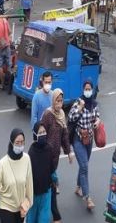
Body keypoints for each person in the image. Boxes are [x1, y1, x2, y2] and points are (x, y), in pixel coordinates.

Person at [41, 89, 73, 223]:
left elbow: (65, 136)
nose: (59, 104)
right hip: (45, 157)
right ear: (53, 100)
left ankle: (50, 213)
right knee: (50, 184)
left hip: (55, 158)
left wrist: (69, 151)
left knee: (49, 184)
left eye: (61, 101)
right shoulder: (48, 114)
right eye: (57, 101)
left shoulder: (61, 115)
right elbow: (41, 133)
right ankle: (55, 215)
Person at [68, 80, 100, 210]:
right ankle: (87, 197)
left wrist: (98, 120)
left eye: (89, 89)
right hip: (78, 139)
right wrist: (80, 108)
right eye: (85, 89)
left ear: (92, 90)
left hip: (89, 140)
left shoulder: (94, 104)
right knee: (85, 166)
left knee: (83, 165)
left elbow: (97, 116)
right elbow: (71, 117)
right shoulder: (78, 102)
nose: (87, 91)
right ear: (83, 90)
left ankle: (78, 187)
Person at [25, 122, 55, 223]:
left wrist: (55, 179)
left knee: (44, 219)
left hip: (46, 191)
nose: (42, 134)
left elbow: (52, 168)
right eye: (40, 132)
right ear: (35, 135)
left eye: (44, 132)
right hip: (33, 194)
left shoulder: (49, 149)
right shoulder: (31, 153)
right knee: (31, 219)